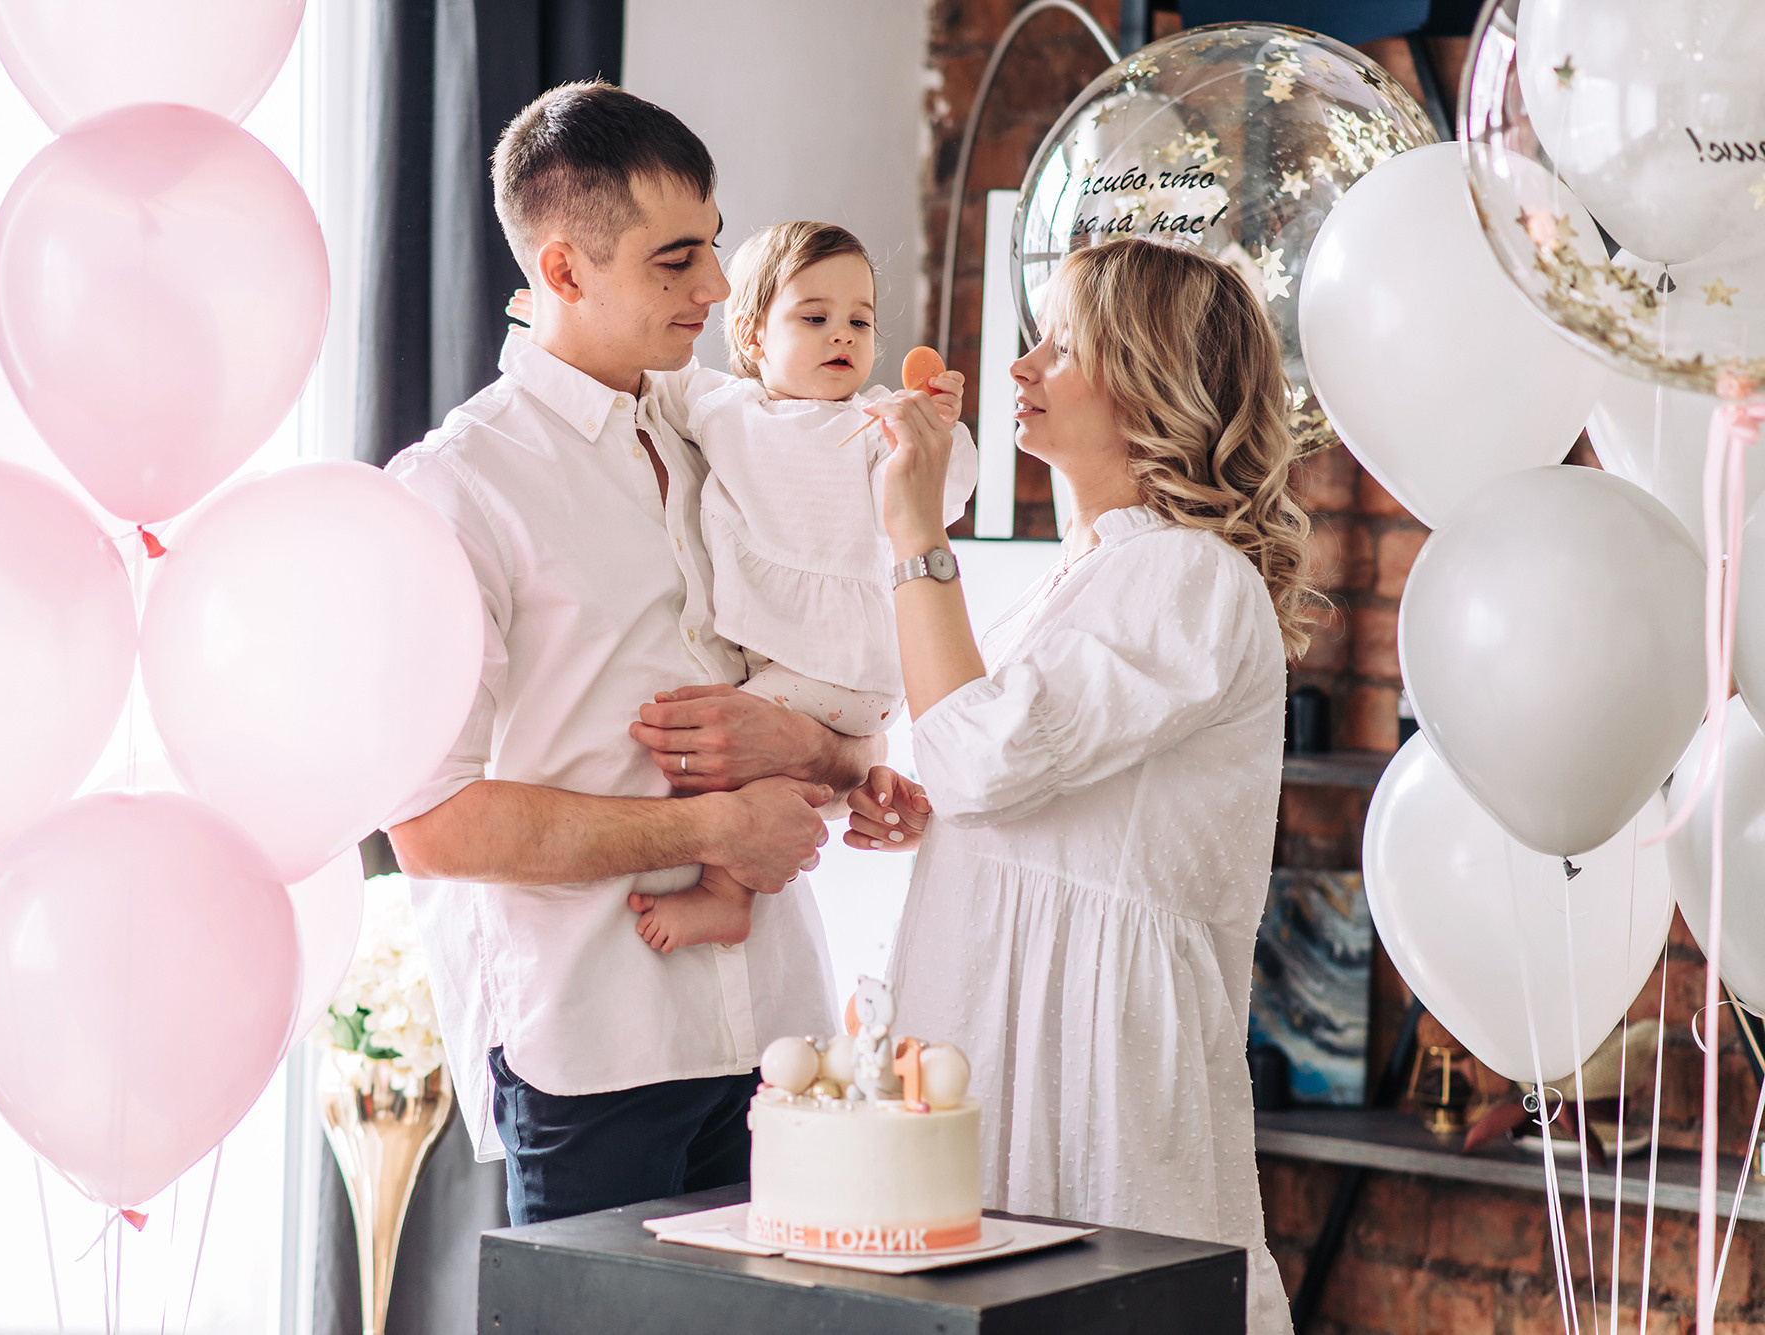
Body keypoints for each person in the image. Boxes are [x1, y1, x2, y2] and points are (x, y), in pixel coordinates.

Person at [382, 81, 882, 1227]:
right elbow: (431, 823)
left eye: (712, 246)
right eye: (676, 261)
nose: (716, 286)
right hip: (595, 1056)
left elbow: (818, 645)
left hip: (782, 1040)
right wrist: (712, 830)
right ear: (563, 272)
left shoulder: (735, 432)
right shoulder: (458, 488)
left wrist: (838, 756)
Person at [864, 237, 1315, 1335]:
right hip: (999, 1034)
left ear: (1154, 384)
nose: (1021, 366)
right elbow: (975, 770)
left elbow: (976, 752)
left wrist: (916, 534)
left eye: (1061, 346)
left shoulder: (1187, 577)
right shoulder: (1077, 580)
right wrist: (916, 806)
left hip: (1086, 1071)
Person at [612, 220, 978, 953]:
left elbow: (941, 495)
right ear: (751, 337)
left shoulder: (874, 424)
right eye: (814, 318)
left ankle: (725, 891)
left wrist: (937, 431)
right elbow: (647, 377)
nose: (842, 335)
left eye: (860, 320)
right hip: (787, 655)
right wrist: (544, 331)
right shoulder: (725, 410)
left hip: (842, 661)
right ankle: (866, 787)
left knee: (719, 746)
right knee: (741, 753)